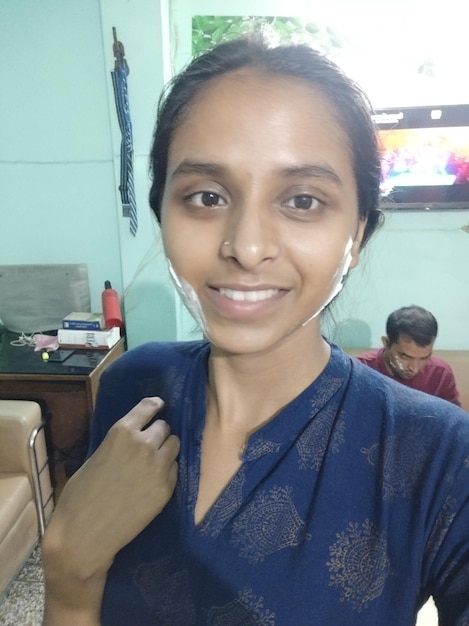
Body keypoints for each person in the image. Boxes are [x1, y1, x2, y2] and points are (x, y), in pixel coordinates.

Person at [41, 36, 469, 626]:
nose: (245, 246)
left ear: (359, 234)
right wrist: (68, 574)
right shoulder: (134, 387)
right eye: (207, 196)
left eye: (301, 200)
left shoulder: (437, 452)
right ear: (161, 209)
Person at [357, 305, 461, 406]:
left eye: (424, 358)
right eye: (405, 357)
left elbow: (453, 419)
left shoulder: (440, 373)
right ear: (386, 343)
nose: (414, 368)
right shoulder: (361, 370)